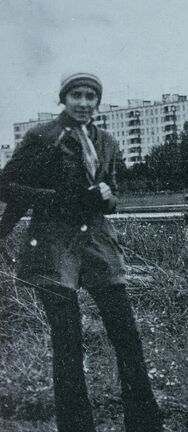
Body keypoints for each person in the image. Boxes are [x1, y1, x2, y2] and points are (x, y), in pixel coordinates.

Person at [0, 72, 163, 432]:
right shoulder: (42, 136)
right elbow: (6, 185)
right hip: (54, 247)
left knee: (126, 335)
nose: (85, 103)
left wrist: (109, 198)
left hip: (99, 245)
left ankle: (145, 424)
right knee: (68, 342)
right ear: (64, 98)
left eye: (92, 96)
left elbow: (114, 197)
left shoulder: (105, 140)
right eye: (77, 95)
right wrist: (59, 199)